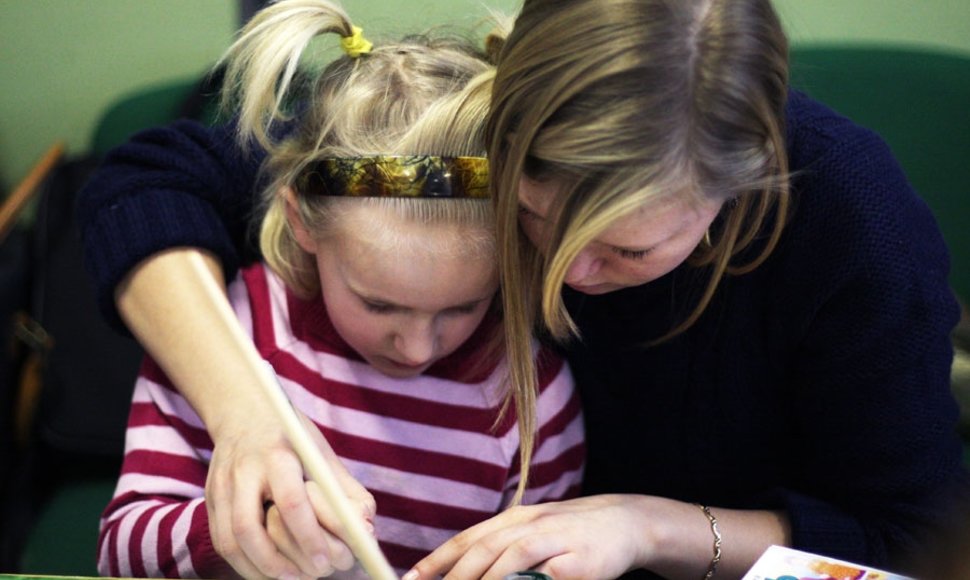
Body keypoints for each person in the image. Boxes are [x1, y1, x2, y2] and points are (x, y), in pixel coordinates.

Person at [78, 0, 969, 578]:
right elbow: (151, 182)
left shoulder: (855, 229)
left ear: (746, 181)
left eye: (625, 249)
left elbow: (908, 543)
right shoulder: (460, 130)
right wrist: (246, 418)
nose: (567, 281)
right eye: (534, 220)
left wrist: (647, 528)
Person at [92, 1, 583, 578]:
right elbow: (118, 552)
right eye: (378, 303)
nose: (418, 348)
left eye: (462, 307)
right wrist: (237, 533)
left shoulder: (532, 398)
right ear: (301, 222)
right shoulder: (225, 329)